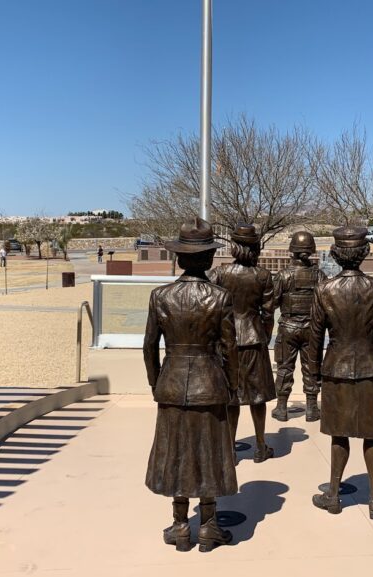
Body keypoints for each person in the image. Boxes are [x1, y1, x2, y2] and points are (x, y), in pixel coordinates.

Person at [144, 217, 239, 552]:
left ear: (180, 258)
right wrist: (232, 385)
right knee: (210, 452)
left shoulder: (160, 296)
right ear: (210, 258)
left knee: (176, 451)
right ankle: (209, 525)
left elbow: (149, 347)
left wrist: (157, 383)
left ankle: (181, 524)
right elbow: (229, 348)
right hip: (210, 382)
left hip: (172, 382)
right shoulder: (220, 297)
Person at [308, 227, 373, 520]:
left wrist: (313, 374)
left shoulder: (324, 289)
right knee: (372, 435)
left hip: (335, 367)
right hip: (369, 365)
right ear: (364, 254)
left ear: (335, 254)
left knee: (338, 434)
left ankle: (333, 494)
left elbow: (315, 338)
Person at [209, 224, 276, 463]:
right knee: (257, 396)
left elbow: (211, 307)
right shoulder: (263, 276)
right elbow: (268, 314)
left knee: (232, 395)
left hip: (226, 340)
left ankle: (229, 448)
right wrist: (264, 336)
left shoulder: (219, 273)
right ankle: (260, 446)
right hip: (254, 337)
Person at [271, 231, 327, 422]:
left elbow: (273, 303)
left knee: (284, 368)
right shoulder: (320, 275)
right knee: (311, 367)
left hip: (288, 327)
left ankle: (281, 408)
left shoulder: (283, 276)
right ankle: (312, 408)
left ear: (292, 251)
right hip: (312, 329)